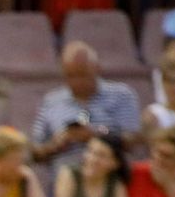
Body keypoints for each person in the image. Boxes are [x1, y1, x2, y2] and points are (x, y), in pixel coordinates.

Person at [30, 42, 141, 179]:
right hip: (65, 180)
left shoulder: (121, 95)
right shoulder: (51, 101)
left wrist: (97, 134)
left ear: (97, 69)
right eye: (70, 76)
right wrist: (56, 144)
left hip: (110, 179)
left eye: (83, 75)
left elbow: (132, 140)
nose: (77, 82)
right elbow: (35, 152)